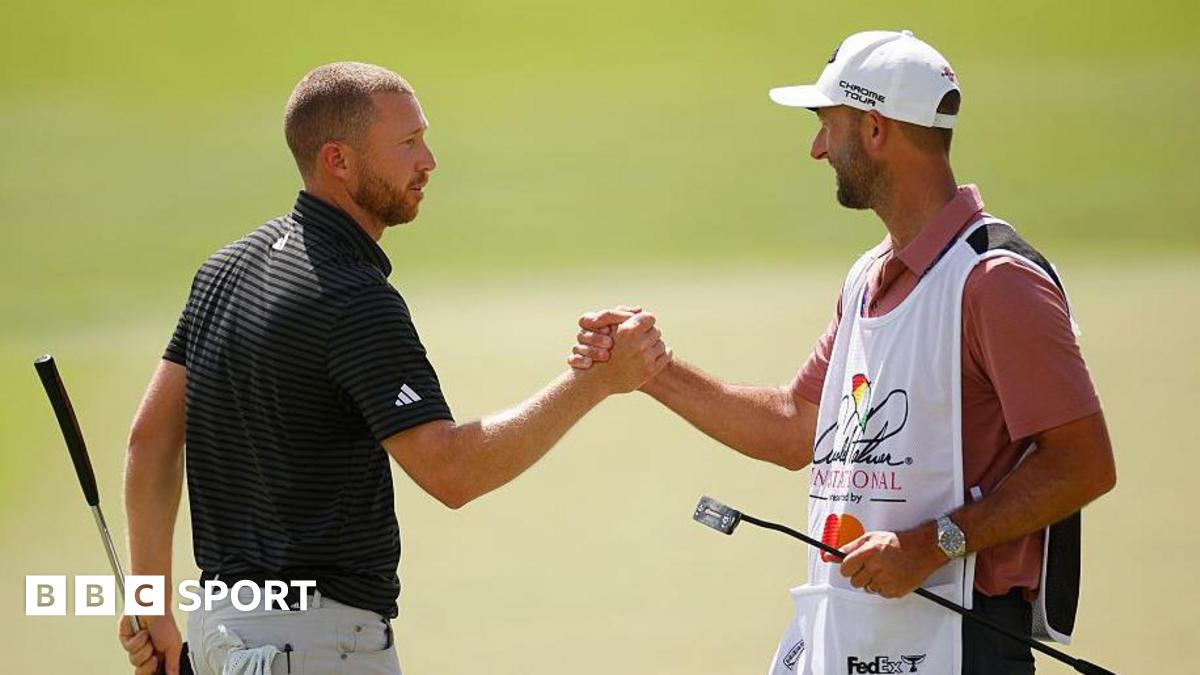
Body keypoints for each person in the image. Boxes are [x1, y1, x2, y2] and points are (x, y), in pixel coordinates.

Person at [572, 30, 1116, 674]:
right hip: (853, 636)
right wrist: (649, 370)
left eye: (827, 124)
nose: (817, 148)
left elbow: (1083, 464)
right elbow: (795, 426)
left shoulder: (996, 281)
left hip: (960, 646)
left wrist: (931, 545)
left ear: (876, 129)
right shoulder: (868, 278)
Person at [117, 62, 671, 675]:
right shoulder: (353, 297)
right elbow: (451, 471)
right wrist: (594, 381)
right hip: (319, 648)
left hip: (218, 636)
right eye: (407, 144)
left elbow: (150, 440)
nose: (428, 161)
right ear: (338, 160)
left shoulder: (224, 271)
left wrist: (150, 606)